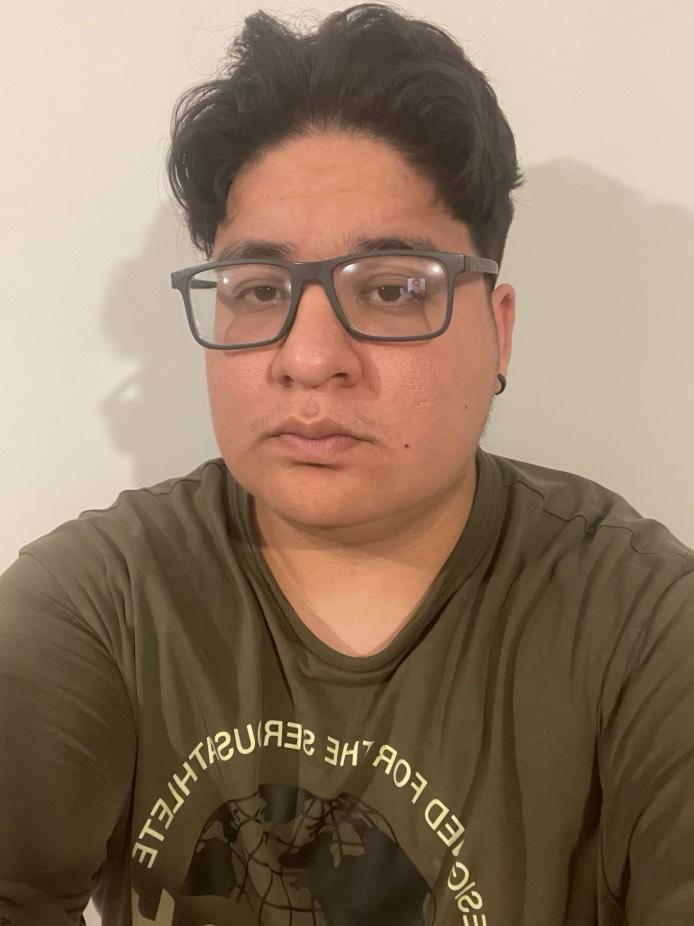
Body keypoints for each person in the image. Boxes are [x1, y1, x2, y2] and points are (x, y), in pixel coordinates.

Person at [1, 3, 692, 924]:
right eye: (259, 289)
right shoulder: (102, 600)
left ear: (498, 332)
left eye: (392, 289)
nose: (310, 356)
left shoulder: (642, 625)